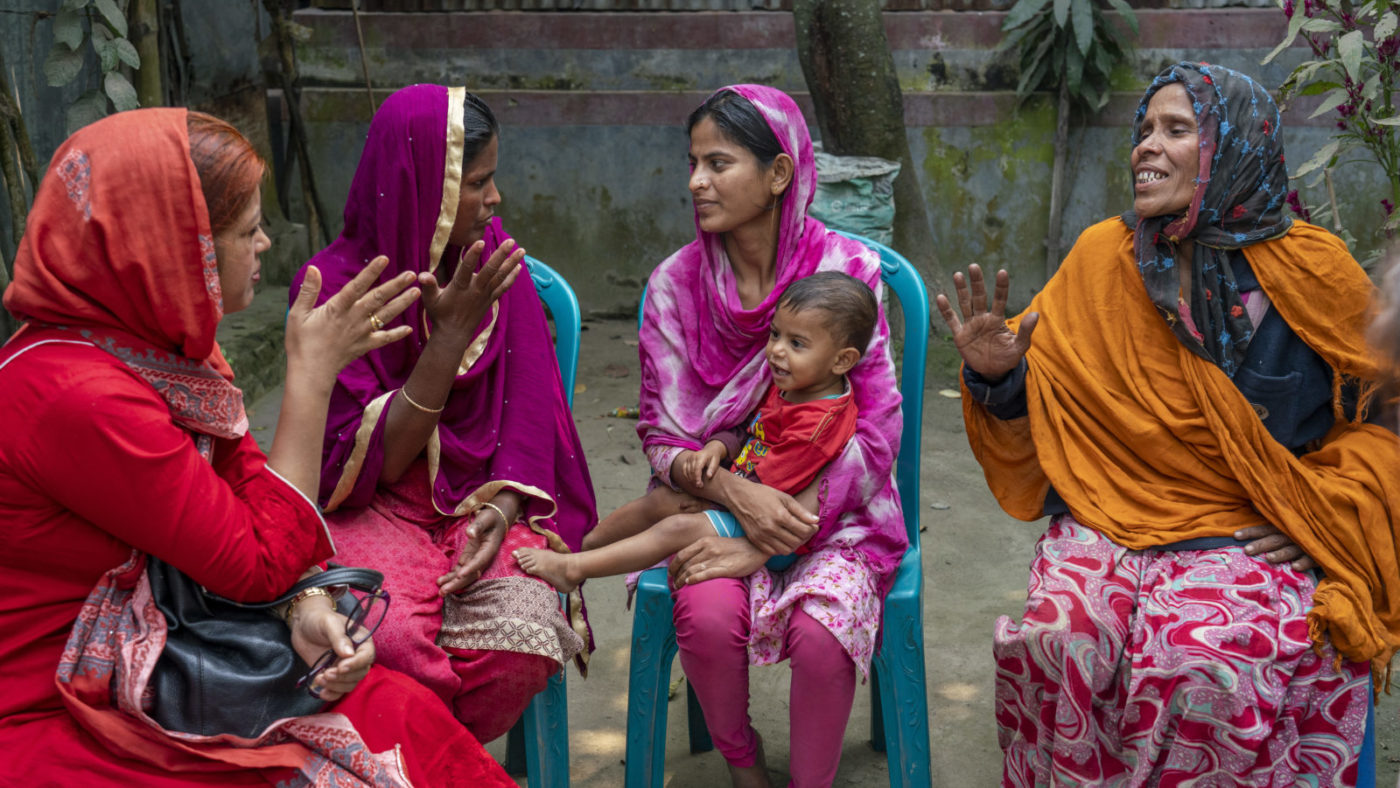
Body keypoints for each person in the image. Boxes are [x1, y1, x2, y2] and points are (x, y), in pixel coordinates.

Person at [0, 108, 513, 785]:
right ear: (178, 254)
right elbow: (259, 560)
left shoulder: (157, 350)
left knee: (400, 713)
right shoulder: (76, 395)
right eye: (247, 231)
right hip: (67, 702)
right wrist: (310, 378)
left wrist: (309, 608)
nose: (267, 244)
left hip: (177, 652)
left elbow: (245, 486)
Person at [938, 62, 1400, 785]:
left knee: (1206, 661)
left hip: (1249, 527)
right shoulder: (1102, 258)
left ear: (1237, 147)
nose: (1146, 147)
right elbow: (1051, 412)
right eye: (1144, 130)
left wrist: (1323, 510)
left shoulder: (1317, 270)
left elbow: (1386, 419)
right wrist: (997, 377)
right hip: (1109, 515)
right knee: (1058, 637)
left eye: (1177, 130)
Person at [291, 83, 598, 744]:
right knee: (388, 638)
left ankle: (424, 754)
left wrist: (503, 510)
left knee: (525, 634)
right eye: (478, 181)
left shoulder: (492, 262)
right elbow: (367, 465)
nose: (496, 199)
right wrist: (449, 340)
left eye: (494, 179)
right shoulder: (335, 289)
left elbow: (530, 417)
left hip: (478, 500)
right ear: (424, 184)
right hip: (372, 505)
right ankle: (448, 760)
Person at [636, 85, 907, 788]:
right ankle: (743, 763)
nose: (696, 181)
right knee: (702, 605)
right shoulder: (675, 287)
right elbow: (663, 439)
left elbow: (876, 431)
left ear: (779, 174)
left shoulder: (847, 273)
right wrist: (736, 495)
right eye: (692, 163)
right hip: (717, 502)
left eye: (718, 163)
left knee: (823, 635)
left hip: (838, 514)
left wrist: (768, 534)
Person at [515, 271, 876, 592]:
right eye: (776, 334)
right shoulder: (795, 382)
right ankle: (582, 546)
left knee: (676, 525)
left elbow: (769, 497)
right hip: (746, 495)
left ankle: (574, 569)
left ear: (842, 360)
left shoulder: (820, 423)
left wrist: (711, 492)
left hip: (773, 533)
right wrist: (718, 449)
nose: (777, 351)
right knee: (661, 501)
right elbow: (750, 429)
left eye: (796, 344)